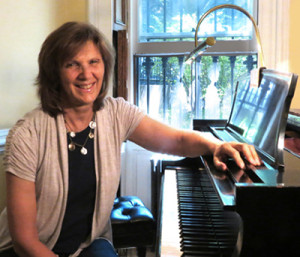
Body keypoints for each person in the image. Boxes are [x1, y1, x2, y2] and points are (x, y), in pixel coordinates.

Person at [0, 21, 261, 257]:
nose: (86, 74)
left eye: (94, 62)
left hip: (86, 244)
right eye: (72, 64)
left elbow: (177, 141)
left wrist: (215, 145)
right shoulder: (27, 135)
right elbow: (24, 241)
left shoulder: (115, 113)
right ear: (54, 73)